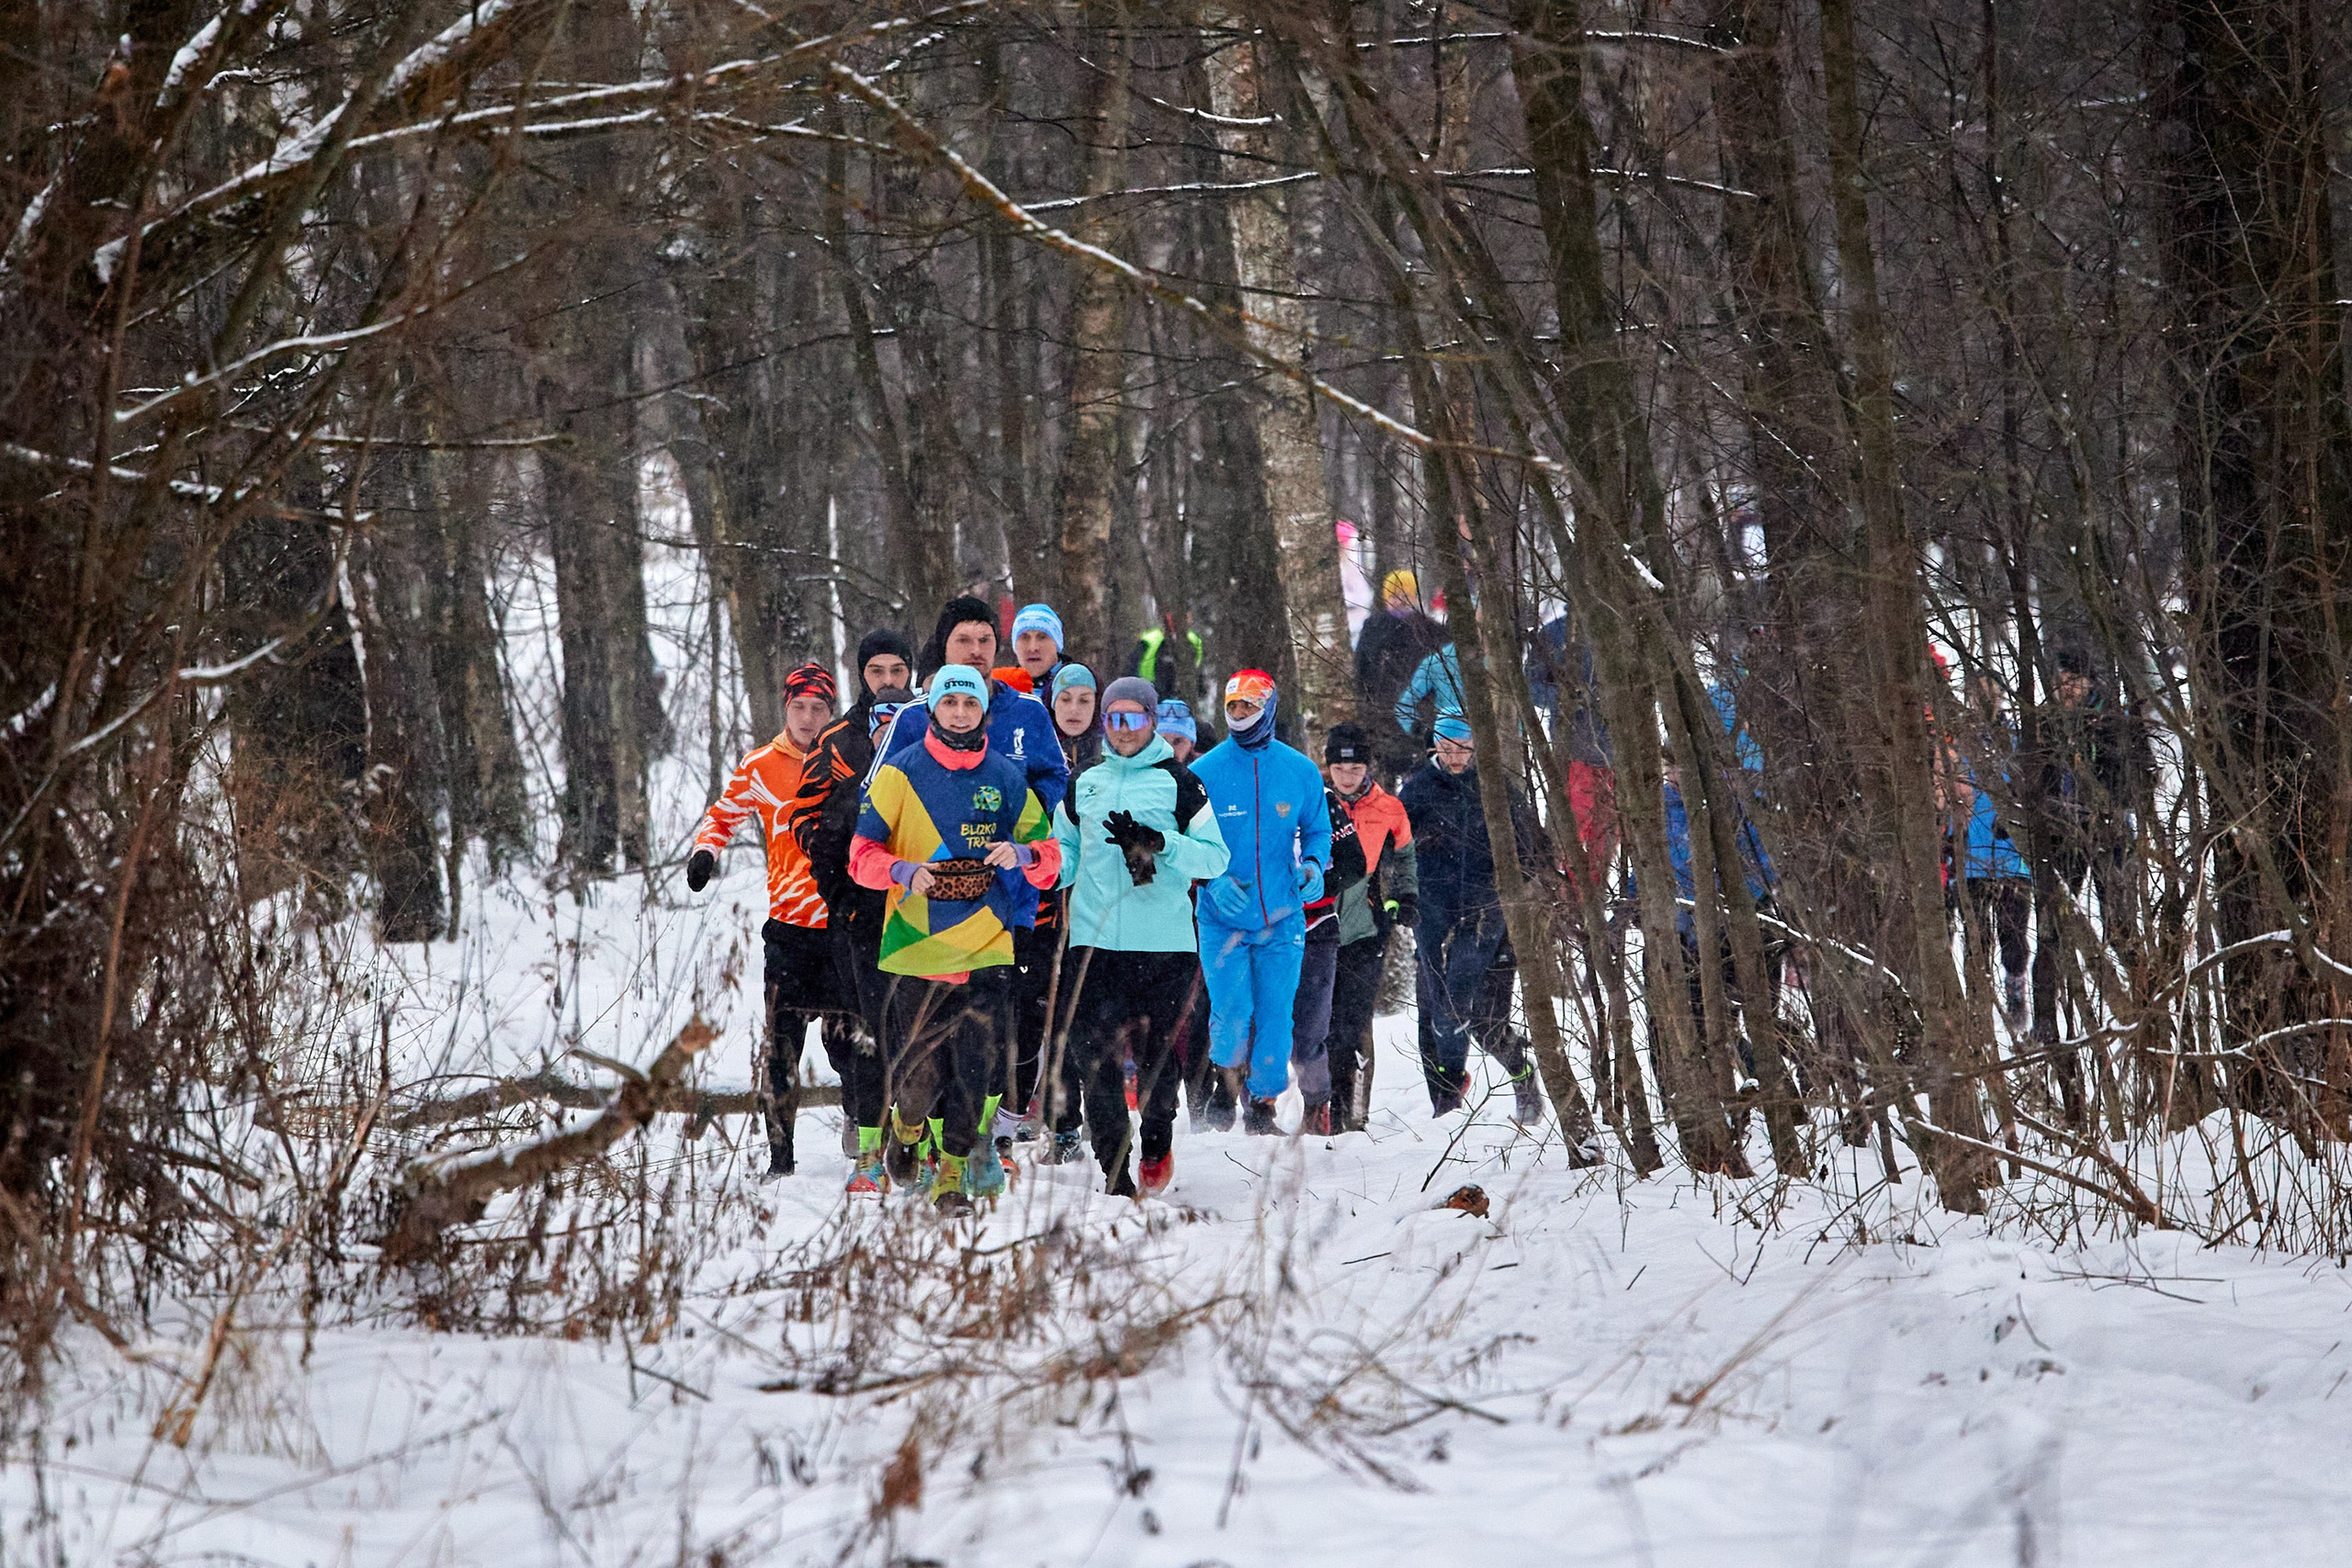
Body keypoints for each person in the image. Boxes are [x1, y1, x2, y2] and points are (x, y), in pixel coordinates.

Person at [850, 665, 1062, 1213]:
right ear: (934, 710)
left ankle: (950, 1175)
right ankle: (906, 1125)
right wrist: (900, 872)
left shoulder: (1006, 778)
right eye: (950, 705)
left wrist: (1025, 855)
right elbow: (860, 859)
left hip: (988, 940)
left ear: (984, 713)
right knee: (920, 1075)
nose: (961, 714)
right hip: (915, 943)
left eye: (970, 705)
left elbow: (1051, 858)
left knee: (977, 1066)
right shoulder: (899, 773)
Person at [1049, 678, 1229, 1195]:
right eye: (1113, 719)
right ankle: (1114, 1171)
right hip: (1095, 943)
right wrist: (1037, 864)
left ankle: (1155, 1140)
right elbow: (1066, 856)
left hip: (1164, 944)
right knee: (1096, 1060)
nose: (1122, 730)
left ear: (1152, 720)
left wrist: (1161, 843)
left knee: (1156, 1063)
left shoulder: (1181, 782)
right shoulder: (1083, 780)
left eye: (1133, 718)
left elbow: (1215, 858)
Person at [686, 662, 849, 1179]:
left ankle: (861, 1119)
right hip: (789, 932)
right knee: (781, 1052)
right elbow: (722, 815)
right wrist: (706, 853)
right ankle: (781, 1158)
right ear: (786, 709)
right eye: (798, 707)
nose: (807, 718)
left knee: (851, 1047)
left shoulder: (850, 761)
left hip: (845, 928)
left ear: (831, 711)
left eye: (818, 709)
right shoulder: (760, 765)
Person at [787, 629, 915, 1193]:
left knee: (919, 1024)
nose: (888, 680)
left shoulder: (931, 723)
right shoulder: (839, 737)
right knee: (865, 1030)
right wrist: (835, 881)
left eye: (896, 669)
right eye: (876, 671)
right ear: (862, 676)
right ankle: (868, 1138)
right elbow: (803, 814)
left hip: (924, 902)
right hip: (857, 906)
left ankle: (923, 1137)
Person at [1192, 671, 1331, 1134]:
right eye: (1232, 708)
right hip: (1221, 917)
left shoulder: (1300, 770)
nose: (1239, 716)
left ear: (1268, 707)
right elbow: (1183, 837)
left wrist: (1312, 864)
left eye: (1248, 707)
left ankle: (1262, 1104)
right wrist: (1208, 881)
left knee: (1276, 1014)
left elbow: (1317, 829)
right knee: (1231, 1013)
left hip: (1282, 916)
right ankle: (1223, 1081)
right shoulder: (1204, 772)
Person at [1398, 716, 1545, 1121]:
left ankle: (1524, 1078)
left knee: (1476, 1015)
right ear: (1434, 746)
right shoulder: (1417, 790)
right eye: (1448, 747)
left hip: (1486, 914)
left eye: (1464, 747)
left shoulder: (1495, 788)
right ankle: (1444, 1104)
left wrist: (1511, 884)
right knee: (1434, 1009)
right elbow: (1393, 850)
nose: (1456, 755)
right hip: (1433, 911)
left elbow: (1535, 847)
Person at [1321, 722, 1416, 1131]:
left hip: (1366, 931)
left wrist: (1405, 898)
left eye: (1356, 768)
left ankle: (1352, 1116)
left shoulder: (1389, 808)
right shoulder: (1315, 801)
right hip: (1316, 929)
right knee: (1318, 1025)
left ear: (1367, 767)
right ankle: (1320, 1109)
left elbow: (1407, 858)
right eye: (1340, 769)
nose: (1348, 776)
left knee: (1354, 1023)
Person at [1291, 768, 1367, 1135]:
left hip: (1316, 926)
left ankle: (1317, 1104)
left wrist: (1323, 883)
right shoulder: (1247, 793)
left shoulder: (1321, 798)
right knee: (1254, 1025)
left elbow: (1356, 863)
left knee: (1309, 1031)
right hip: (1260, 925)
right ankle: (1257, 1110)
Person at [1354, 570, 1447, 781]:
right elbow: (1361, 670)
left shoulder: (1430, 630)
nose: (1399, 600)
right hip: (1381, 715)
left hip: (1421, 717)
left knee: (1420, 776)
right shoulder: (1373, 628)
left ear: (1414, 596)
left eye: (1404, 594)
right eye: (1393, 595)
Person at [1393, 641, 1466, 745]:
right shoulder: (1437, 662)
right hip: (1453, 740)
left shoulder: (1436, 661)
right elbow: (1404, 706)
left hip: (1451, 739)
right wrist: (1424, 734)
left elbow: (1403, 707)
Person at [1129, 614, 1208, 703]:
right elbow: (1132, 667)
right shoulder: (1150, 639)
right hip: (1153, 694)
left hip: (1179, 696)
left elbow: (1197, 667)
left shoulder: (1194, 640)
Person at [1051, 663, 1102, 773]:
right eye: (1065, 699)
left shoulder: (1110, 753)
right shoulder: (1033, 748)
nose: (1074, 709)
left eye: (1084, 701)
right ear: (1053, 703)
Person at [1010, 603, 1068, 688]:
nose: (1033, 648)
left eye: (1042, 637)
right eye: (1024, 637)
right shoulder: (1000, 693)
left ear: (1057, 644)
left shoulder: (1082, 687)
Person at [1157, 699, 1199, 763]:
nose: (1170, 749)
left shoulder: (1203, 771)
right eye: (1162, 741)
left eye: (1177, 741)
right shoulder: (1138, 771)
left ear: (1191, 744)